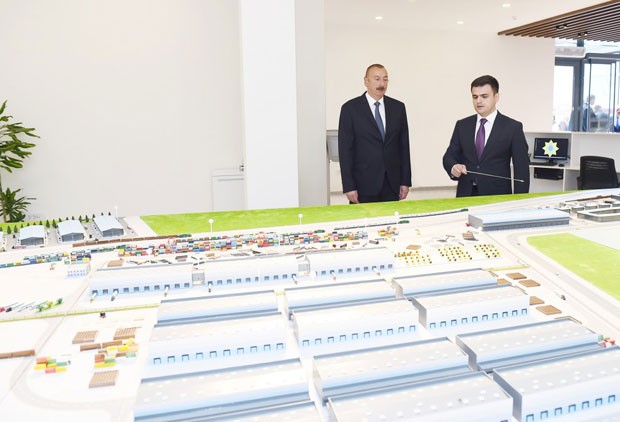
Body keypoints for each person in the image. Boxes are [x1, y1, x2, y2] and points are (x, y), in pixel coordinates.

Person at [442, 75, 530, 197]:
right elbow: (449, 156)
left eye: (484, 96)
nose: (478, 101)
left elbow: (522, 170)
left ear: (496, 97)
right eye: (475, 97)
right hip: (466, 194)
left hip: (497, 197)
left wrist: (520, 201)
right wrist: (453, 167)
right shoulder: (462, 125)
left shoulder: (513, 127)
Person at [338, 64, 411, 203]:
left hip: (391, 184)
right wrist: (349, 186)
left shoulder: (398, 108)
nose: (381, 84)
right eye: (377, 79)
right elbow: (345, 151)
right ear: (366, 81)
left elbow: (404, 147)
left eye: (385, 79)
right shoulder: (350, 109)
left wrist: (405, 181)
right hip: (363, 185)